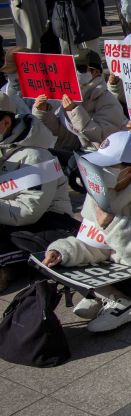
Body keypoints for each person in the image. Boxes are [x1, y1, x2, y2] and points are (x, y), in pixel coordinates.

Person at [42, 131, 131, 332]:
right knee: (57, 260)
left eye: (105, 166)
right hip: (118, 265)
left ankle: (107, 295)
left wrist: (113, 225)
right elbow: (92, 243)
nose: (95, 170)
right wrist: (63, 252)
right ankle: (114, 297)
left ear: (128, 172)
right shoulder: (99, 192)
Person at [0, 93, 76, 292]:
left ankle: (12, 268)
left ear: (5, 123)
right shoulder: (4, 147)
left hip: (46, 222)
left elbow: (29, 211)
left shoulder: (36, 156)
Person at [33, 49, 127, 158]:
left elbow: (103, 137)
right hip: (74, 151)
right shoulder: (68, 93)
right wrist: (43, 111)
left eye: (81, 69)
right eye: (72, 68)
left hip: (100, 155)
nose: (75, 72)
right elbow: (60, 133)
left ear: (96, 72)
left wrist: (74, 111)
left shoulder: (107, 100)